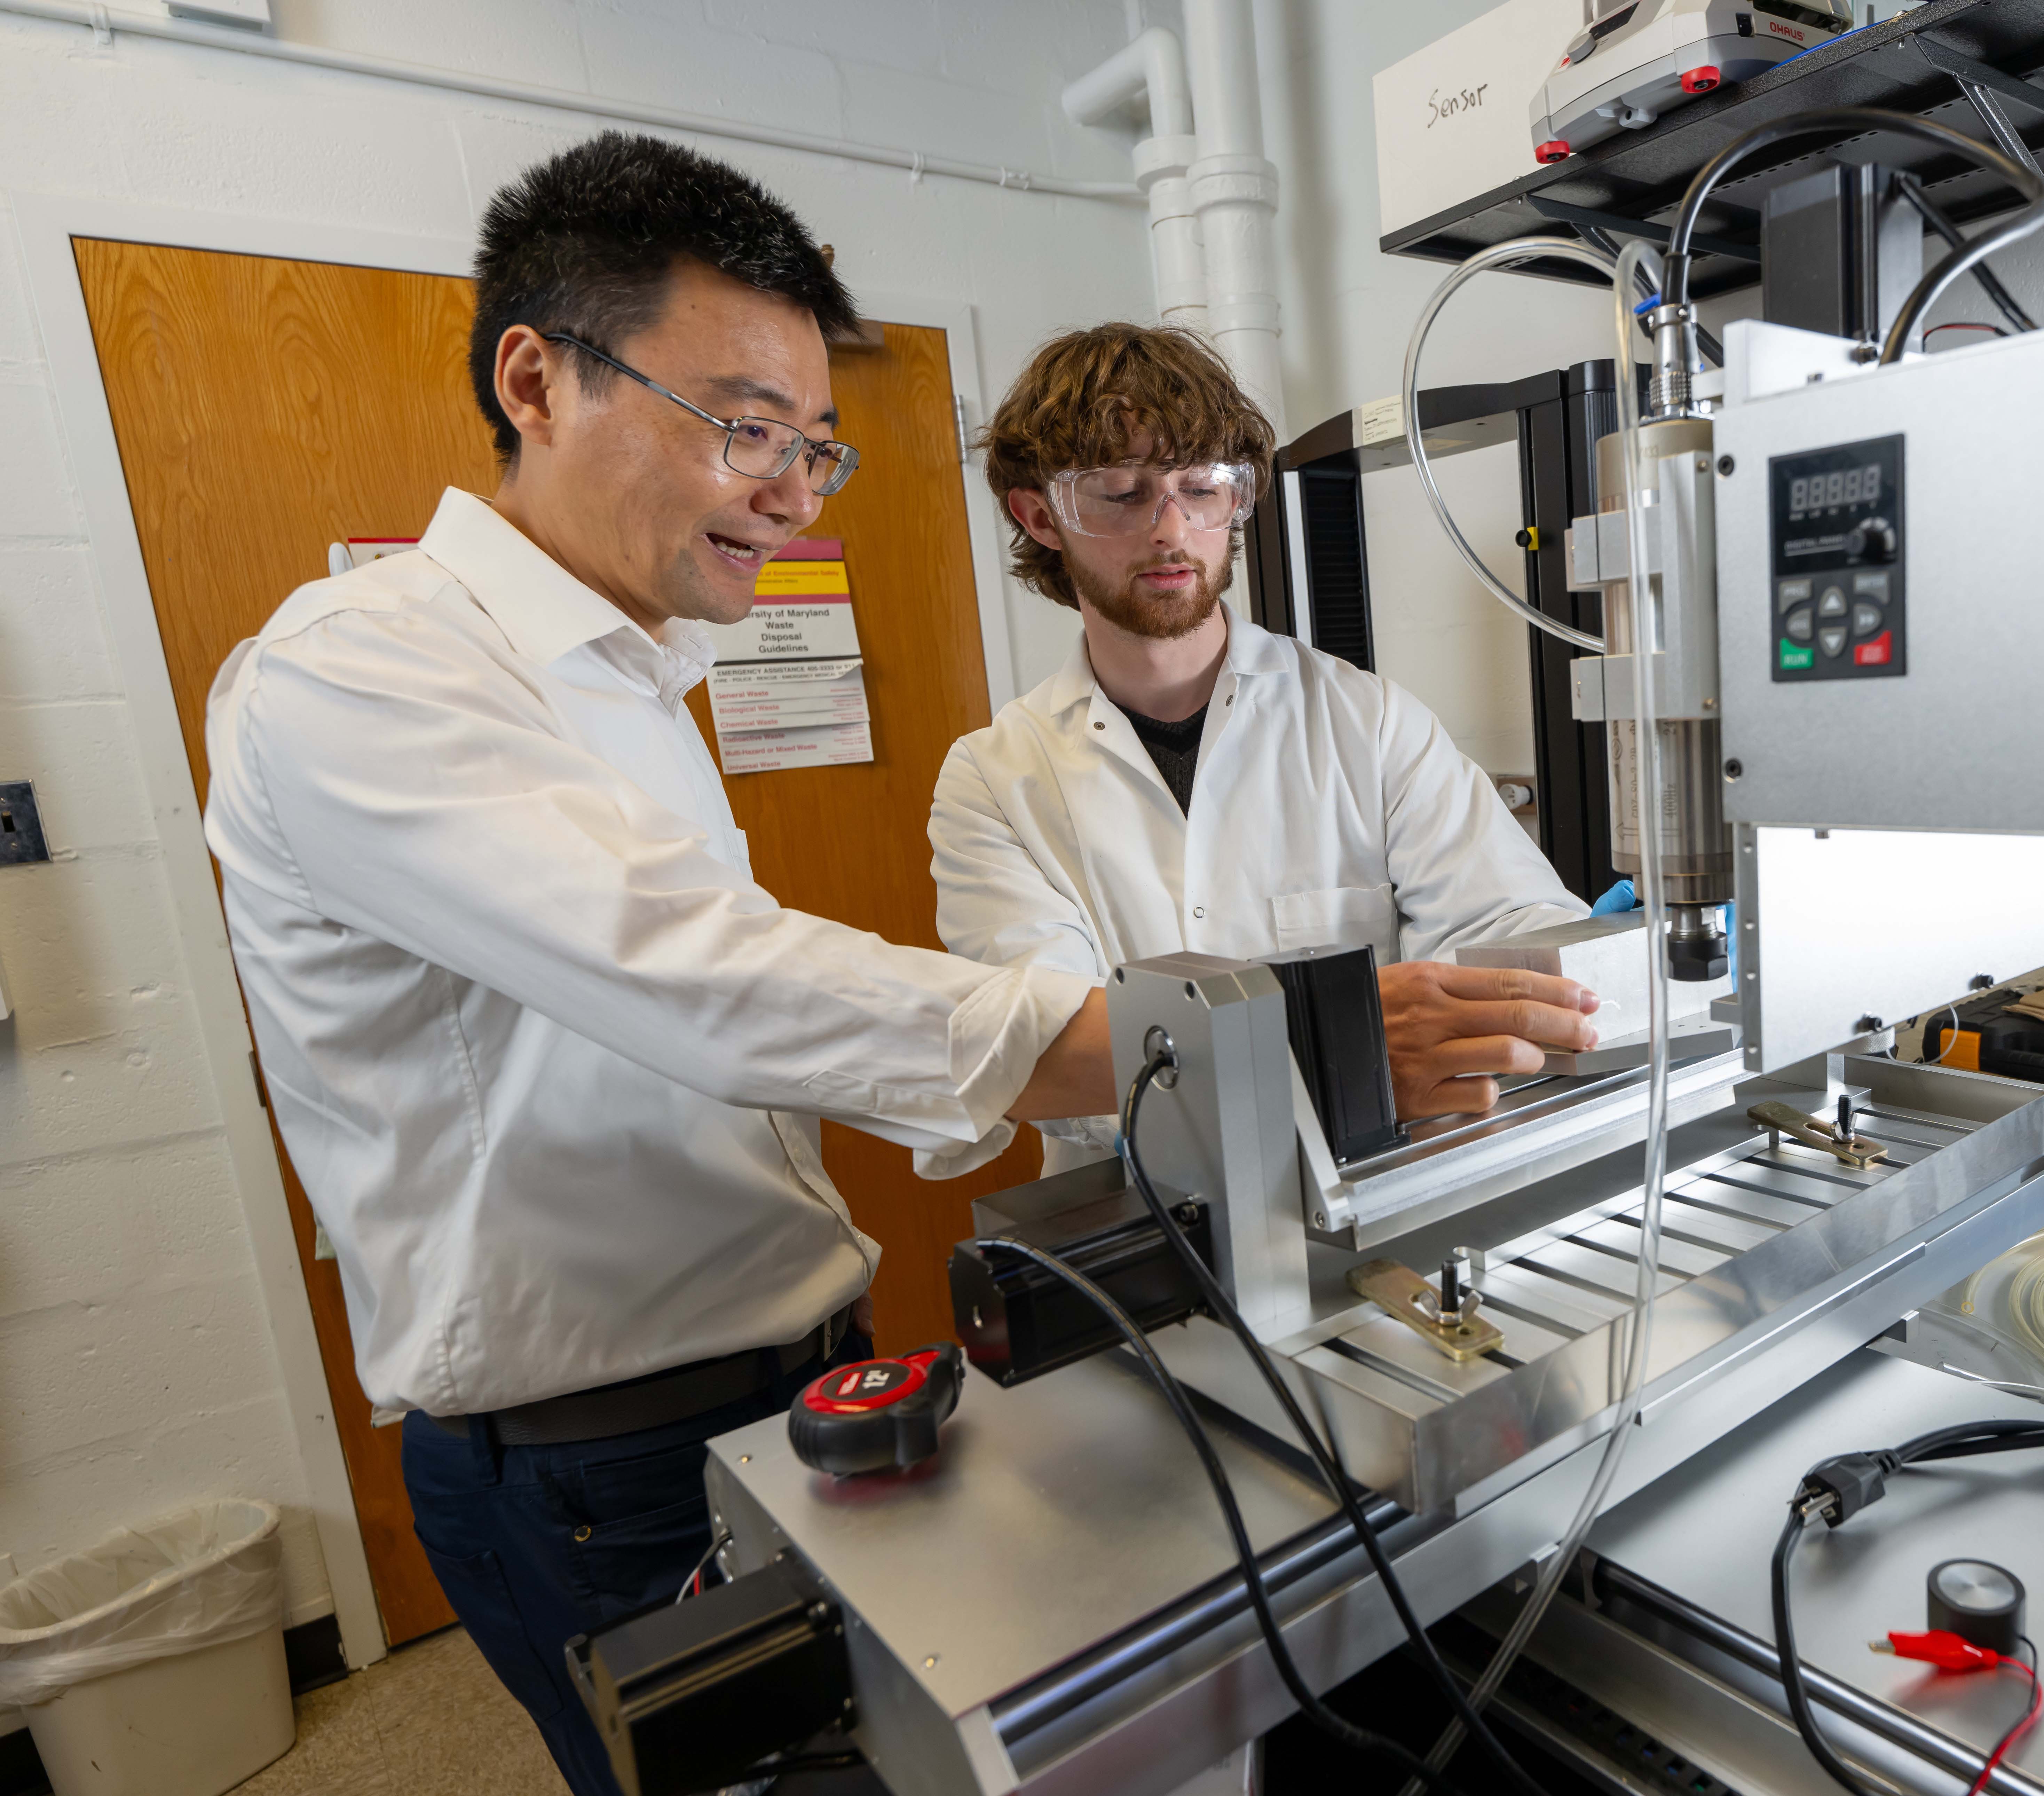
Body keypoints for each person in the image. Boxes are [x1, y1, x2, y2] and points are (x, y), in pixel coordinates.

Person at [202, 134, 1124, 1796]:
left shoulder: (638, 665)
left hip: (804, 1363)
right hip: (597, 1454)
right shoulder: (355, 674)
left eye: (814, 447)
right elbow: (695, 972)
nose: (787, 488)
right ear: (537, 379)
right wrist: (1137, 1042)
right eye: (742, 429)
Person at [931, 323, 1602, 1157]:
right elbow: (1049, 1054)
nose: (1172, 530)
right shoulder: (994, 779)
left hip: (1380, 1177)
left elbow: (1509, 927)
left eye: (1203, 488)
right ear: (1040, 516)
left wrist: (1553, 980)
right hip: (1142, 1209)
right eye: (1120, 492)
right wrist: (1342, 1035)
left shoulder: (1370, 720)